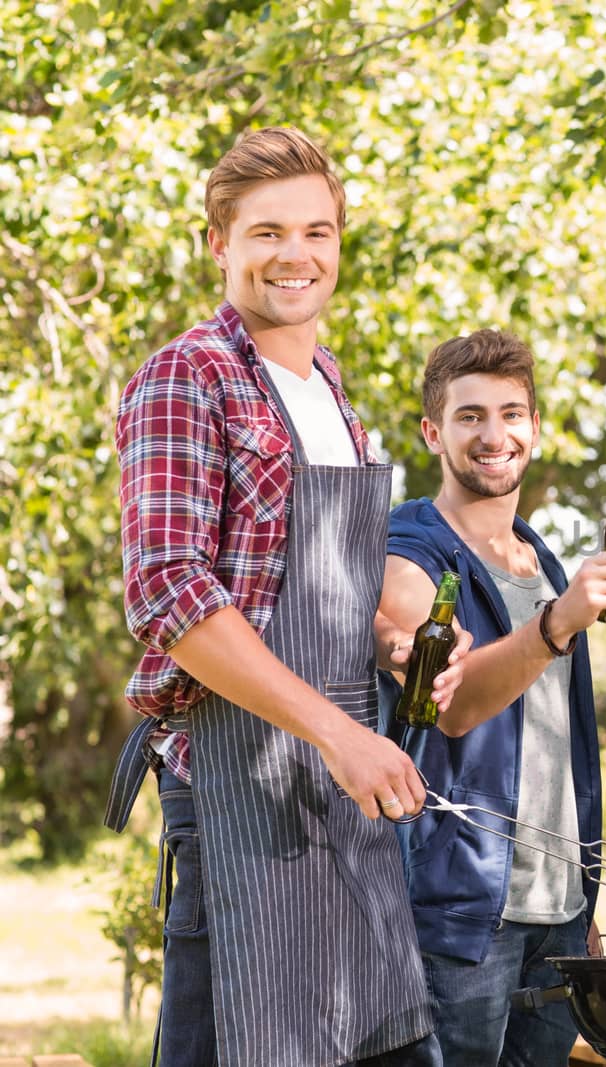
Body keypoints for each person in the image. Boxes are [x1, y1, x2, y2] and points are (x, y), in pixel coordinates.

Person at [108, 126, 457, 1065]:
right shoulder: (189, 377)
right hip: (239, 783)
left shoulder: (329, 389)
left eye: (317, 231)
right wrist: (338, 733)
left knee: (375, 1041)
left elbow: (316, 579)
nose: (294, 255)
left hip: (340, 774)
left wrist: (392, 637)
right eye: (266, 233)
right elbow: (171, 594)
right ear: (217, 242)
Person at [377, 328, 606, 1066]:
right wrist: (558, 623)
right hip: (462, 917)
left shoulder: (543, 558)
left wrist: (582, 901)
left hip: (558, 915)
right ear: (433, 432)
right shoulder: (411, 547)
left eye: (511, 413)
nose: (493, 435)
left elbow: (564, 746)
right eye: (470, 417)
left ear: (534, 426)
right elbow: (452, 702)